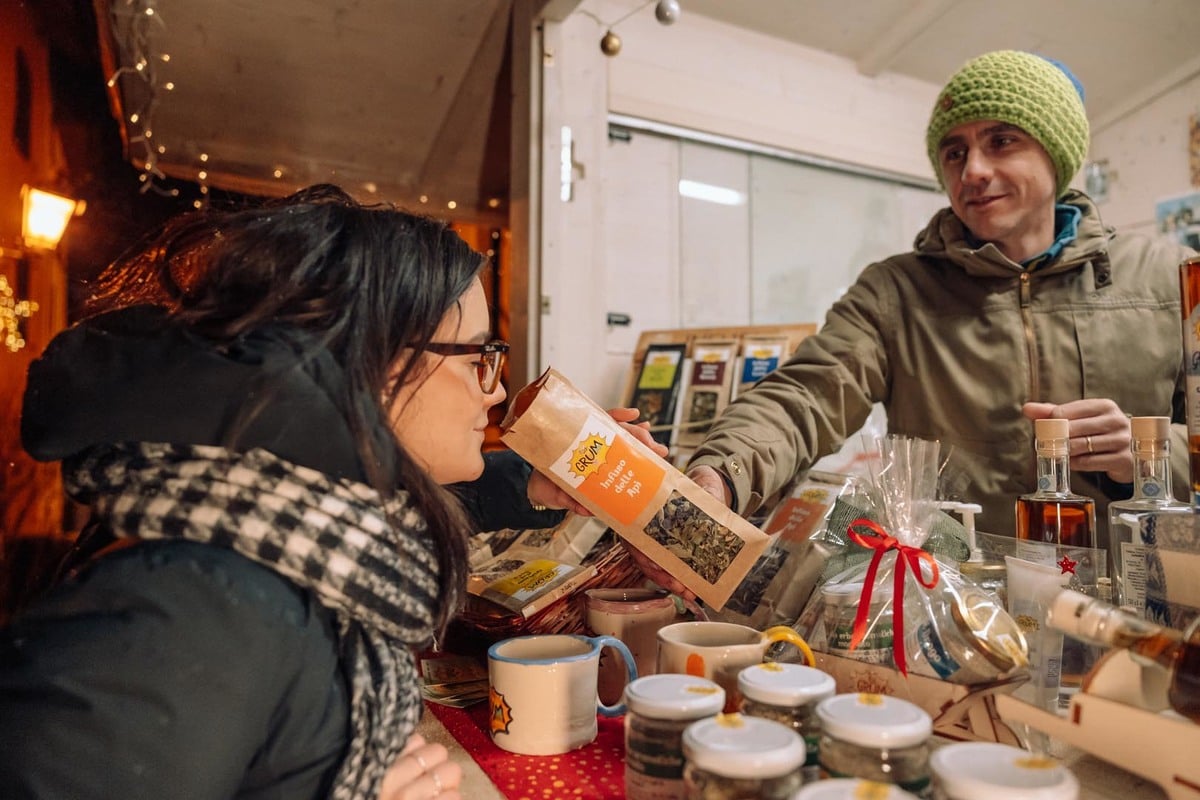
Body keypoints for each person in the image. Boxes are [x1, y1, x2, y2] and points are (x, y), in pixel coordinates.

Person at [0, 184, 659, 800]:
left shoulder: (278, 517)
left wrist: (542, 483)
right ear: (376, 361)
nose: (494, 388)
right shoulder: (198, 602)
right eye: (478, 356)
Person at [676, 50, 1194, 561]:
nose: (973, 170)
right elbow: (805, 396)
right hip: (951, 604)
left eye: (1001, 141)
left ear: (1056, 154)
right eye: (954, 152)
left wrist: (1151, 454)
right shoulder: (896, 292)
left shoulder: (1173, 279)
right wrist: (720, 474)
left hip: (1139, 597)